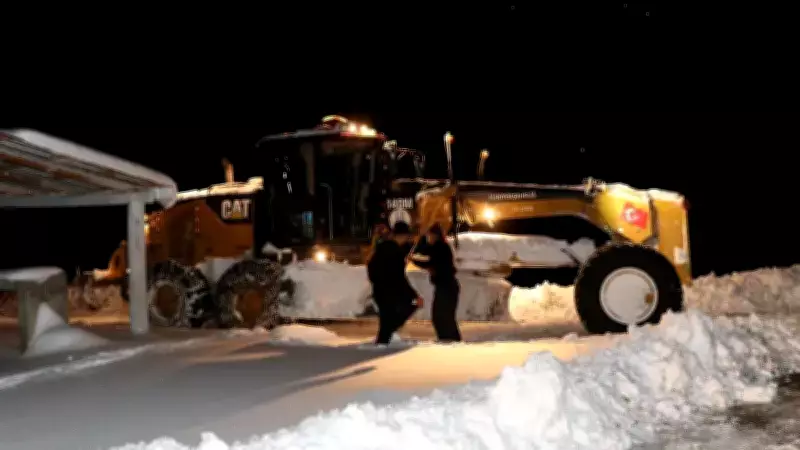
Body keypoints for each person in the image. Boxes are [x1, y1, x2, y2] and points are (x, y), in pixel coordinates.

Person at [367, 221, 423, 345]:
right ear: (402, 236)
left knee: (386, 321)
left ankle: (383, 340)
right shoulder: (395, 252)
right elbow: (398, 277)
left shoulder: (382, 248)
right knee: (410, 306)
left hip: (381, 291)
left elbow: (371, 268)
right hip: (391, 292)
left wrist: (377, 282)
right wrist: (414, 295)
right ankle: (383, 342)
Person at [410, 223, 462, 342]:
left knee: (442, 317)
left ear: (435, 236)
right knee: (444, 317)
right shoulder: (440, 247)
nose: (429, 238)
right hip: (446, 287)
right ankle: (450, 340)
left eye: (430, 236)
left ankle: (449, 341)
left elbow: (425, 259)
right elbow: (423, 258)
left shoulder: (439, 247)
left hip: (447, 287)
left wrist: (420, 241)